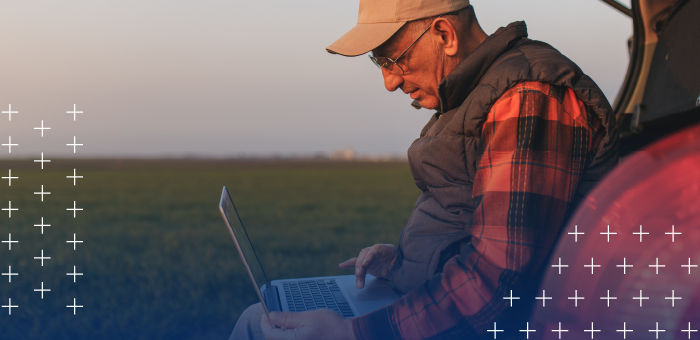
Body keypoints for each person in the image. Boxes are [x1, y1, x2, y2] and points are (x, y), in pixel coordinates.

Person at [232, 0, 618, 338]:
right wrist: (405, 261)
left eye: (393, 59)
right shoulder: (475, 94)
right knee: (261, 318)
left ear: (445, 35)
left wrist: (354, 333)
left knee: (260, 326)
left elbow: (500, 284)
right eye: (377, 62)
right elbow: (471, 225)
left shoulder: (526, 98)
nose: (389, 82)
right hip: (425, 295)